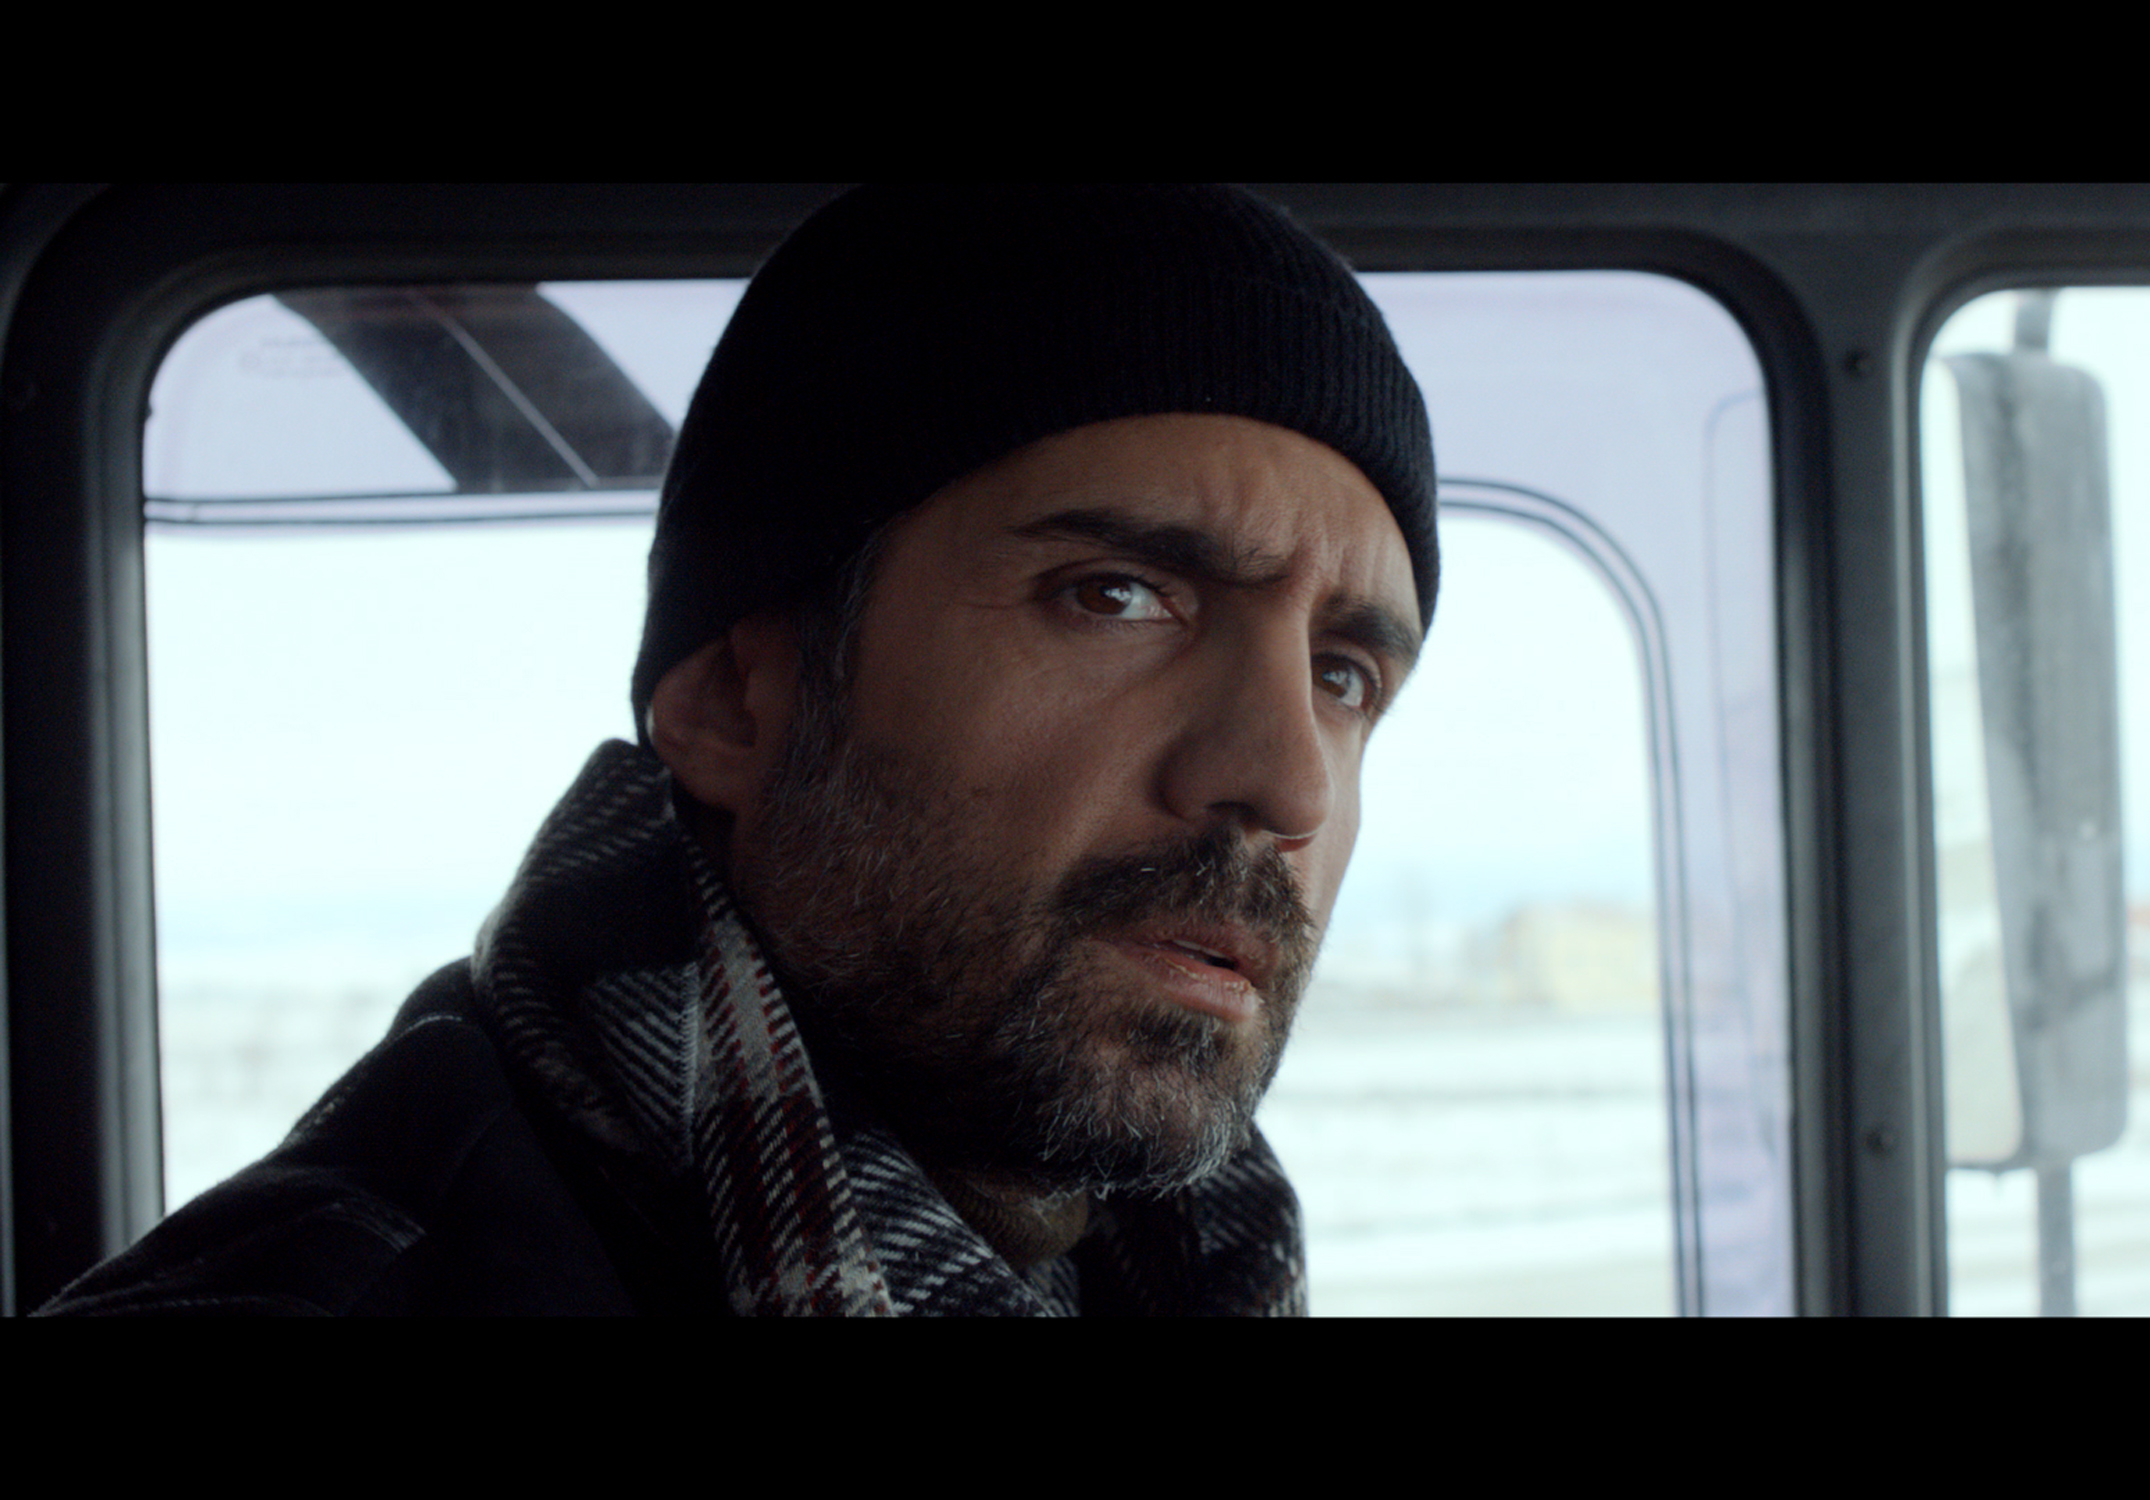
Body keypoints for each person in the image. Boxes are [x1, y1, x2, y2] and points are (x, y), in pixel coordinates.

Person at [40, 183, 1436, 1316]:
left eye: (1342, 675)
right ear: (730, 703)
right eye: (1116, 596)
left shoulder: (1168, 1263)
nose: (1287, 783)